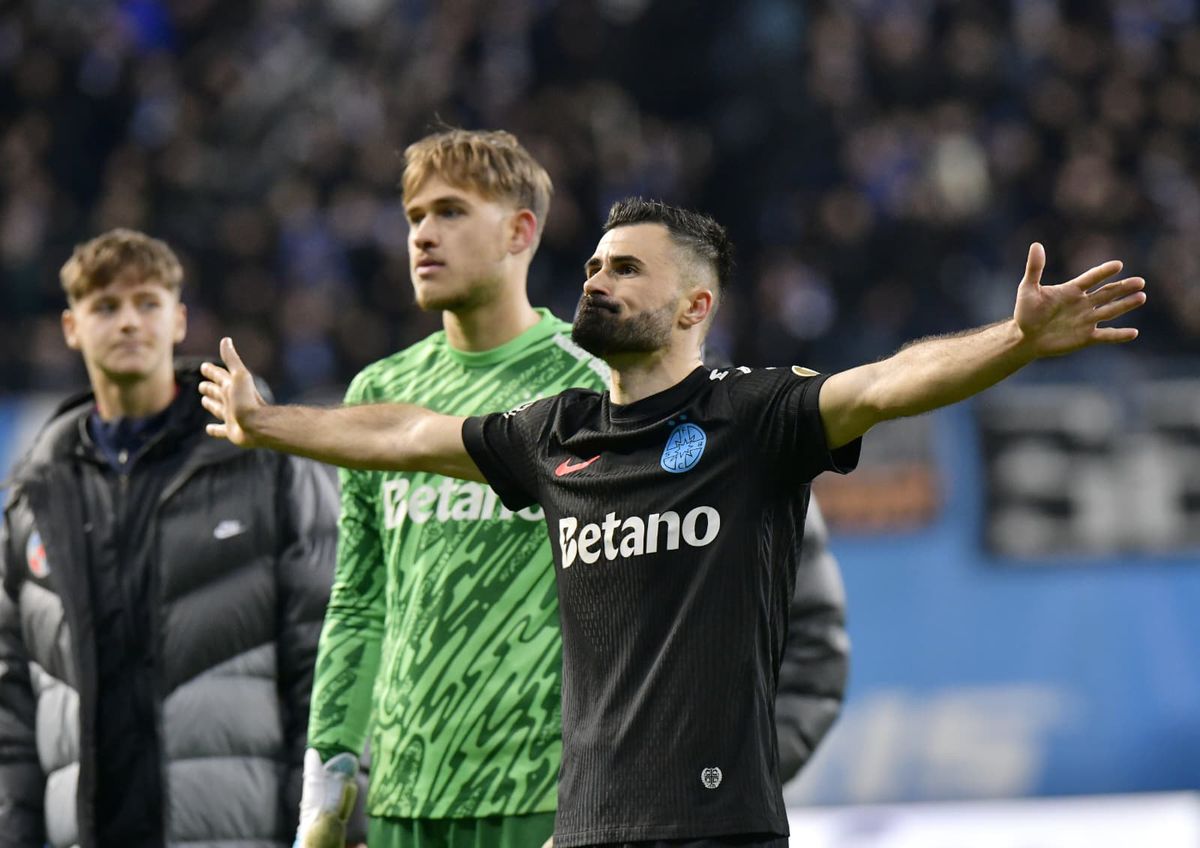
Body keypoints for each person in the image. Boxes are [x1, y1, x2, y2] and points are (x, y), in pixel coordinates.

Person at [200, 196, 1146, 846]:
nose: (598, 279)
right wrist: (266, 421)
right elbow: (406, 432)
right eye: (597, 263)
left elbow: (892, 381)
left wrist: (1015, 339)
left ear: (695, 305)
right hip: (585, 825)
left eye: (628, 269)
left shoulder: (755, 417)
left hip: (719, 823)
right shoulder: (556, 434)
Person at [291, 128, 849, 848]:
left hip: (560, 801)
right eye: (414, 217)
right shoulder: (381, 392)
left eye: (451, 212)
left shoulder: (605, 377)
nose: (423, 234)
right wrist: (332, 764)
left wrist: (706, 784)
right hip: (408, 794)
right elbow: (360, 599)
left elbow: (773, 587)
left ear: (521, 230)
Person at [0, 229, 341, 848]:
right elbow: (11, 700)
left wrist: (322, 823)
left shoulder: (270, 464)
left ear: (179, 320)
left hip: (234, 831)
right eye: (106, 306)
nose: (128, 322)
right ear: (71, 327)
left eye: (147, 303)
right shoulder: (34, 493)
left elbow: (322, 656)